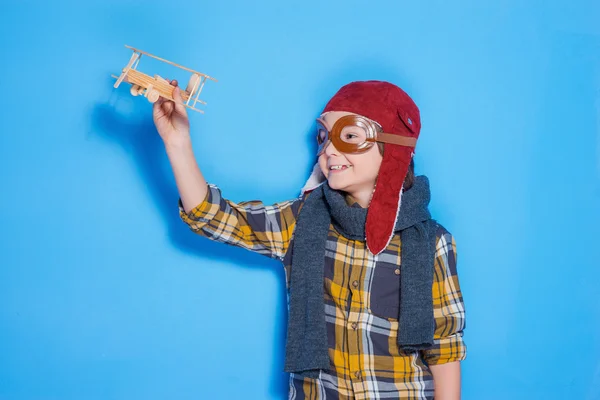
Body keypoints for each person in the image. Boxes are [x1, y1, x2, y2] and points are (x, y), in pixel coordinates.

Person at [153, 79, 467, 399]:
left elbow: (445, 350)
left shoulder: (431, 242)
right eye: (324, 137)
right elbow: (215, 218)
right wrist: (177, 143)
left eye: (348, 136)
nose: (329, 150)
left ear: (394, 147)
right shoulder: (301, 222)